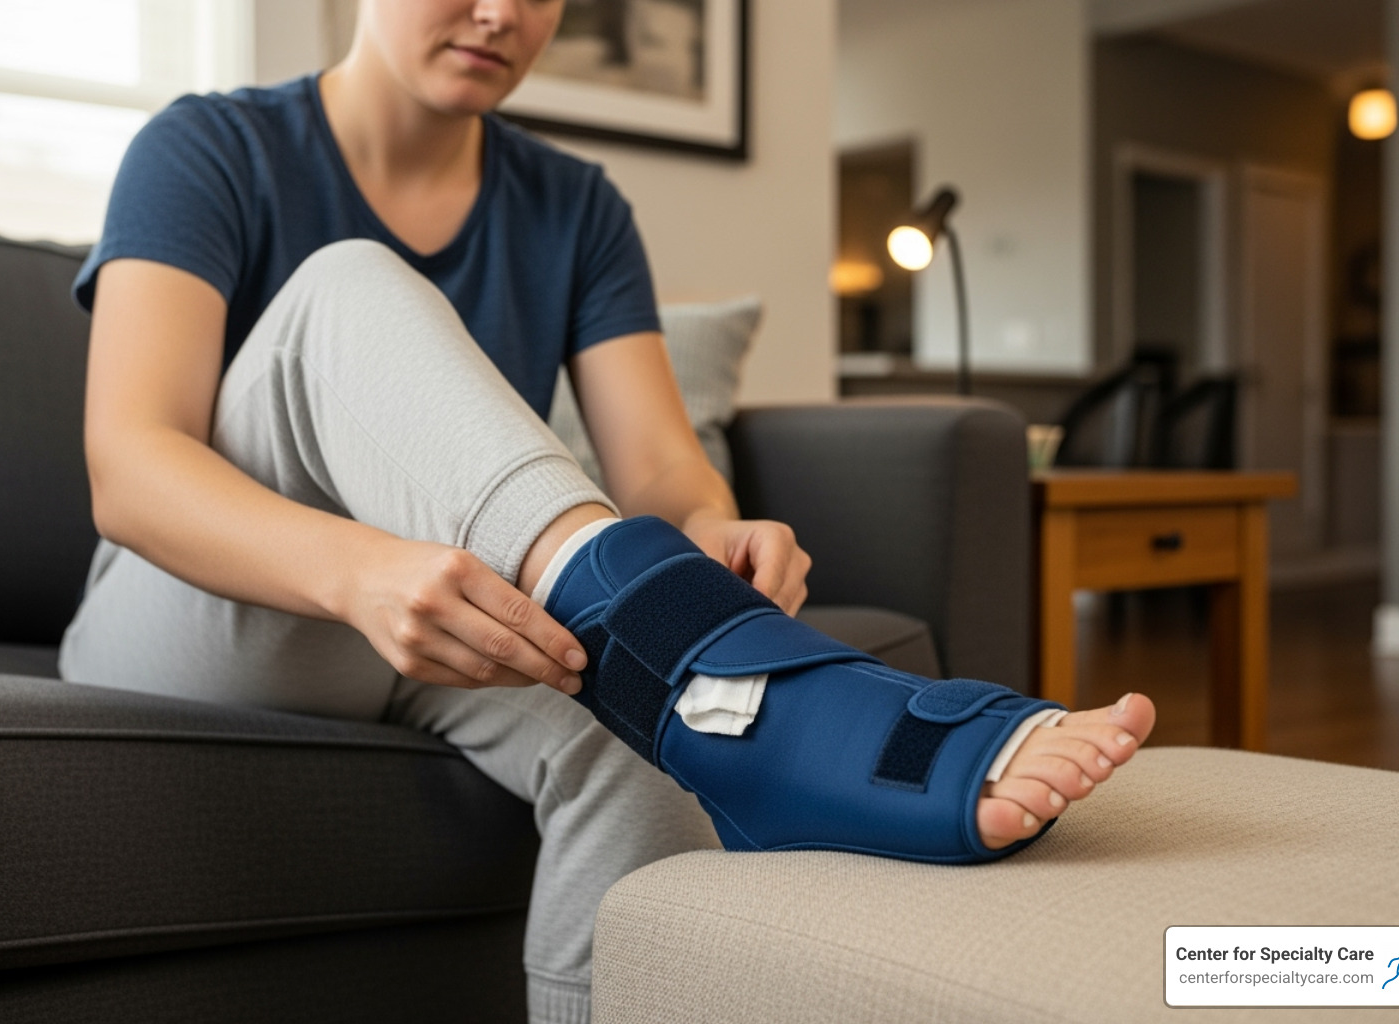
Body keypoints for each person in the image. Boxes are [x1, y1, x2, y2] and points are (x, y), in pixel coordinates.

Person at [58, 1, 1156, 1021]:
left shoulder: (574, 205)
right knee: (347, 282)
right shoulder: (210, 146)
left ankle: (700, 665)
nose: (504, 13)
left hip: (448, 614)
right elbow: (133, 463)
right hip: (210, 615)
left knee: (650, 725)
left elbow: (663, 470)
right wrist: (360, 572)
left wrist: (712, 527)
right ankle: (743, 669)